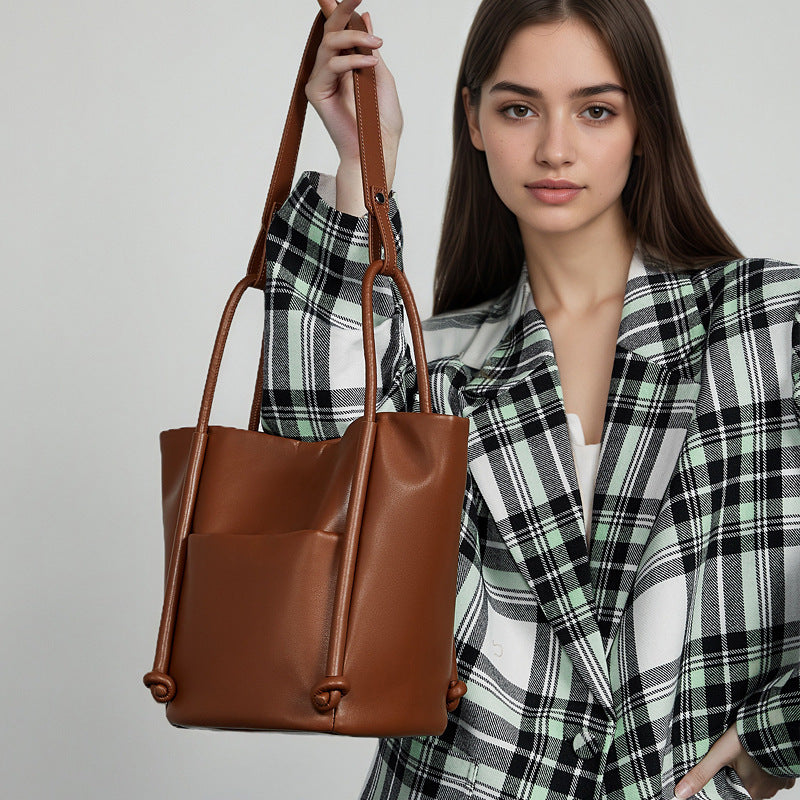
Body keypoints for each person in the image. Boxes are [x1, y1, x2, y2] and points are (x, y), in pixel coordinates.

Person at [259, 0, 800, 797]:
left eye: (595, 110)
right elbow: (313, 496)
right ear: (474, 120)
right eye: (518, 108)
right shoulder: (436, 364)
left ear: (642, 123)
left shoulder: (767, 326)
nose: (554, 149)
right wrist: (361, 165)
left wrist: (779, 732)